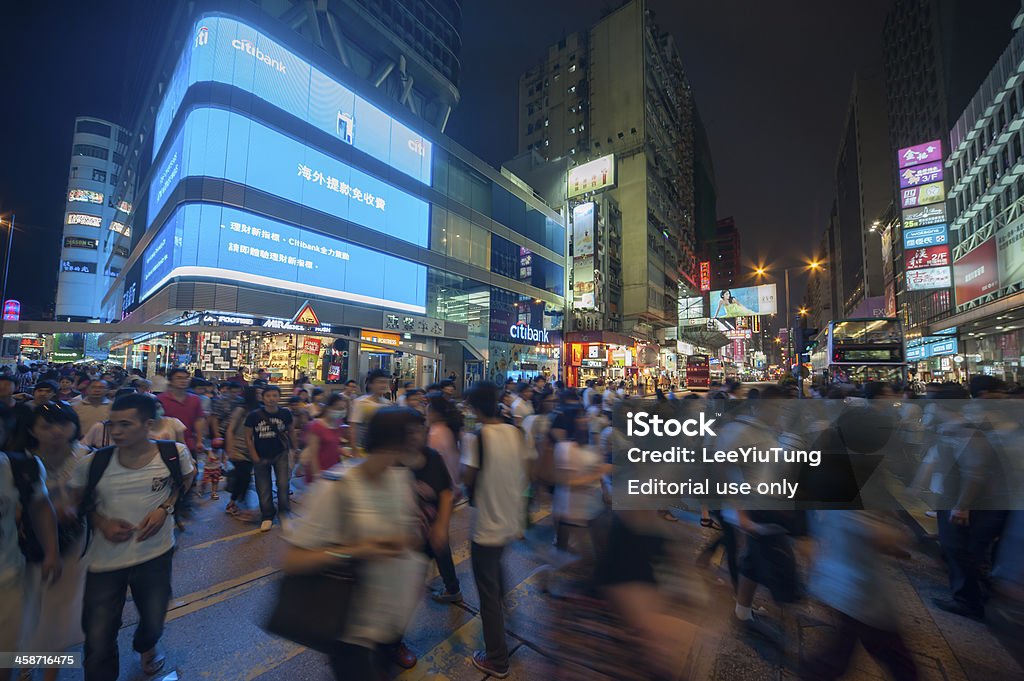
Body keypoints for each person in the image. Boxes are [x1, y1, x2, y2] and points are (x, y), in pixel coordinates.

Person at [282, 407, 425, 680]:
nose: (424, 439)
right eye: (417, 433)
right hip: (349, 627)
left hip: (388, 622)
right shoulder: (337, 485)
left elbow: (406, 539)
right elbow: (293, 560)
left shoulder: (401, 479)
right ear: (395, 439)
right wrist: (355, 551)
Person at [70, 393, 195, 680]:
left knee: (153, 619)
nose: (116, 431)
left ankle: (146, 645)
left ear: (148, 425)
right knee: (99, 638)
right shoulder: (94, 463)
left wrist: (165, 507)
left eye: (126, 424)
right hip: (105, 562)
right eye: (112, 424)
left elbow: (185, 481)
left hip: (156, 554)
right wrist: (101, 522)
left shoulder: (173, 454)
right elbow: (77, 502)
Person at [461, 382, 535, 678]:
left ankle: (497, 658)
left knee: (487, 594)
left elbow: (467, 478)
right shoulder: (515, 433)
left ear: (476, 408)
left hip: (487, 526)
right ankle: (508, 625)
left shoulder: (477, 437)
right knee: (497, 577)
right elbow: (530, 470)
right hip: (510, 520)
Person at [18, 402, 89, 681]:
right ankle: (25, 662)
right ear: (32, 431)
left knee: (58, 612)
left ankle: (49, 672)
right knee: (27, 605)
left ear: (74, 426)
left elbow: (93, 497)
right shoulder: (19, 462)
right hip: (26, 546)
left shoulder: (86, 457)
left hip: (71, 546)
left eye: (63, 424)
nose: (56, 431)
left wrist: (73, 506)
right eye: (46, 426)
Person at [245, 385, 295, 532]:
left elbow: (291, 432)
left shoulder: (285, 413)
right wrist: (253, 455)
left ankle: (284, 513)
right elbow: (248, 437)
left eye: (275, 396)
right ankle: (267, 516)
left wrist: (294, 449)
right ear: (263, 398)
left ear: (279, 397)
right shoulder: (254, 415)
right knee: (263, 487)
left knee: (283, 484)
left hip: (281, 454)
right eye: (268, 396)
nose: (272, 399)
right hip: (260, 455)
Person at [156, 369, 207, 463]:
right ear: (170, 381)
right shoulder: (160, 399)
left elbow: (199, 420)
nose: (183, 381)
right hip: (167, 443)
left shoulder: (195, 399)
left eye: (186, 378)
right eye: (179, 378)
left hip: (189, 443)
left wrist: (200, 440)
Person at [224, 387, 260, 517]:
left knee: (244, 478)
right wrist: (230, 449)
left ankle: (239, 502)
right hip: (238, 449)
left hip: (251, 450)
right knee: (244, 477)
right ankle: (233, 503)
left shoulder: (259, 410)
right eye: (258, 393)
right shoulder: (241, 410)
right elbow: (230, 429)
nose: (260, 395)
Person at [302, 393, 346, 482]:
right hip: (319, 471)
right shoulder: (316, 426)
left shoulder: (338, 423)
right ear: (328, 408)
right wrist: (316, 475)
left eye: (343, 409)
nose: (341, 411)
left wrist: (341, 450)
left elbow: (333, 444)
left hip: (333, 470)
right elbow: (312, 454)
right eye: (338, 408)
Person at [348, 369, 392, 449]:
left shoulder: (388, 404)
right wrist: (354, 448)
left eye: (386, 382)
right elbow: (353, 428)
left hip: (383, 448)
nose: (384, 385)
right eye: (380, 382)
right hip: (364, 447)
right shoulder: (361, 402)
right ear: (371, 384)